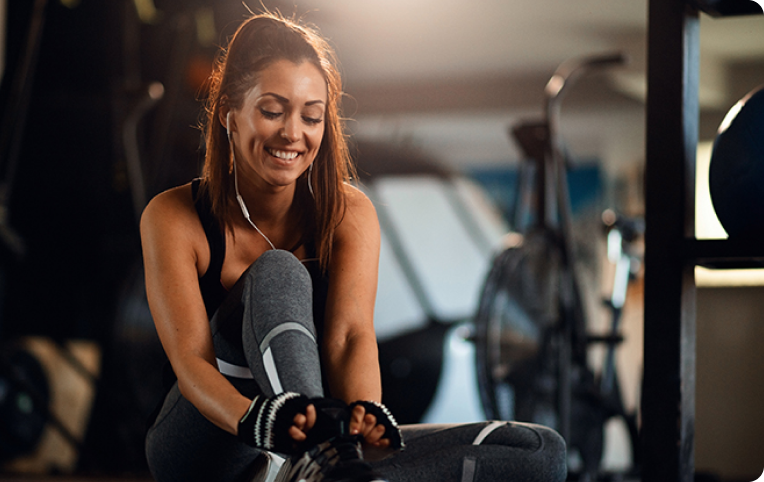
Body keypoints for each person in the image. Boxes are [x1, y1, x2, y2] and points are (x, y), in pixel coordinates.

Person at [141, 10, 567, 482]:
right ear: (229, 115)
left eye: (311, 116)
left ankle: (330, 470)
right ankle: (324, 463)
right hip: (209, 447)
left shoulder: (349, 212)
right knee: (278, 270)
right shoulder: (173, 216)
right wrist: (263, 422)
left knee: (536, 450)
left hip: (317, 456)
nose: (292, 133)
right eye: (272, 110)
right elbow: (191, 364)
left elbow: (349, 338)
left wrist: (366, 412)